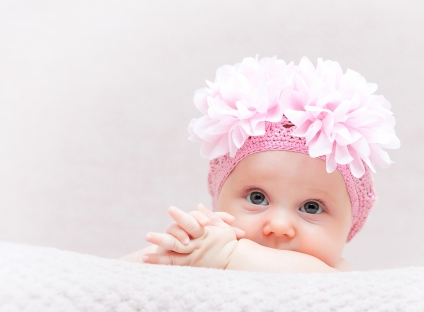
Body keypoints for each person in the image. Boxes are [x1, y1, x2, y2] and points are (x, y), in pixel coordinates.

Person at [121, 56, 400, 273]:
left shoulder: (335, 276)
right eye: (257, 198)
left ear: (352, 225)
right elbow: (113, 275)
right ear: (219, 202)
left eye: (311, 207)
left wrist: (230, 256)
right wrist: (179, 252)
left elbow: (319, 280)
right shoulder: (207, 250)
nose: (278, 226)